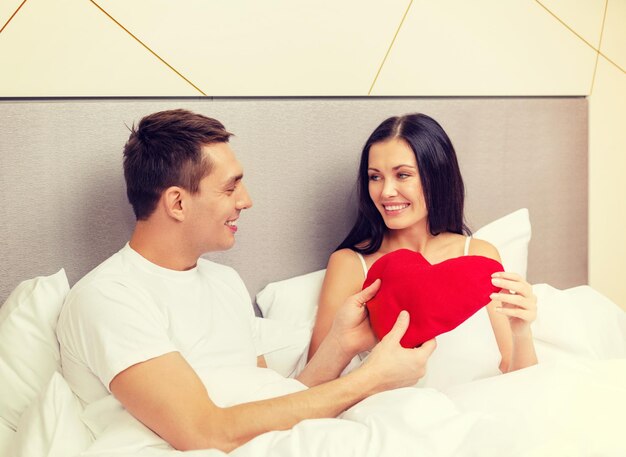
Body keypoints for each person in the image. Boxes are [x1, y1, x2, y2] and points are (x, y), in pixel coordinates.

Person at [56, 109, 436, 453]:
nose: (246, 200)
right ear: (177, 204)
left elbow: (268, 405)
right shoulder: (109, 297)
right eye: (230, 187)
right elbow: (205, 432)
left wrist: (341, 343)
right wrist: (370, 380)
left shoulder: (224, 282)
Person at [309, 113, 537, 375]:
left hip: (479, 405)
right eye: (375, 177)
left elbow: (516, 374)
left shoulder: (478, 256)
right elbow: (315, 384)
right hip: (390, 411)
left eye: (403, 175)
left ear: (437, 177)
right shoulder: (350, 263)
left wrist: (521, 331)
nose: (385, 192)